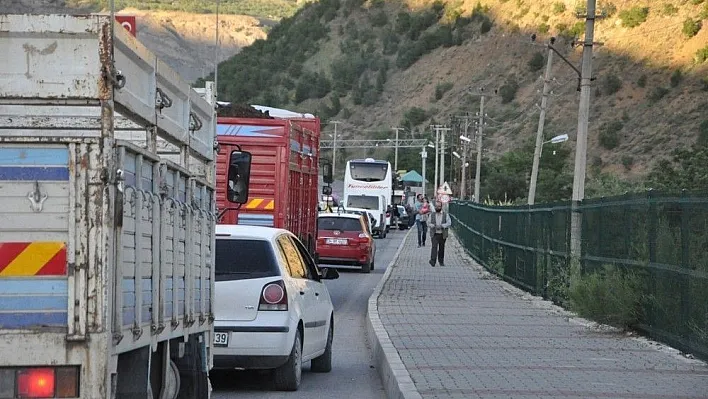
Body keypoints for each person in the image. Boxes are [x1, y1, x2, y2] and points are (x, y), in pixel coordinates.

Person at [428, 201, 451, 267]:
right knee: (434, 247)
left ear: (441, 207)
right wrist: (432, 225)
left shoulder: (445, 214)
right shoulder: (432, 214)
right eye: (436, 206)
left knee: (441, 248)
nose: (437, 207)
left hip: (442, 234)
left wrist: (442, 226)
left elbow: (449, 223)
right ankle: (433, 261)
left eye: (439, 206)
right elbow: (428, 222)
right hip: (434, 233)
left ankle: (441, 261)